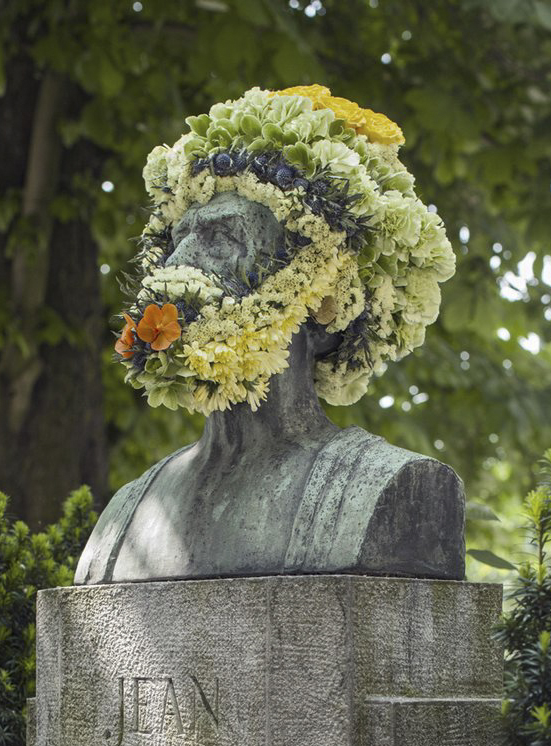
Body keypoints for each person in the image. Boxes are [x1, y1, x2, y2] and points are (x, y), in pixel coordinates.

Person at [74, 86, 464, 583]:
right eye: (178, 239)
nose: (174, 265)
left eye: (224, 237)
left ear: (328, 298)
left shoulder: (401, 489)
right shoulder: (126, 515)